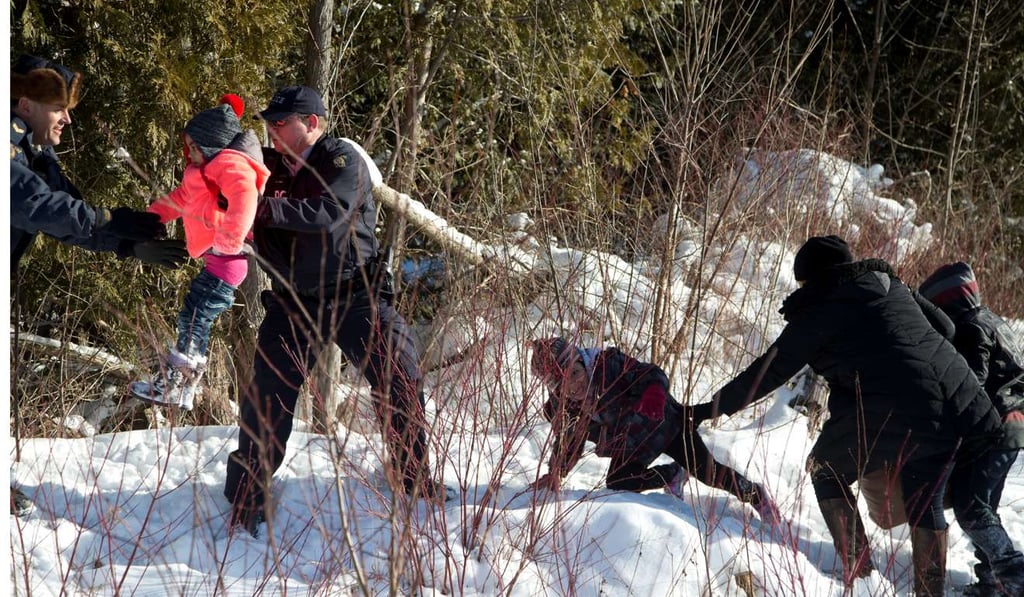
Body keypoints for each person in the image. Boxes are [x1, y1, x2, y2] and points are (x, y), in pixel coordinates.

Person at [700, 236, 1004, 595]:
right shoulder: (890, 284)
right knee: (925, 496)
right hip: (959, 402)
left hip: (893, 404)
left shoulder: (822, 306)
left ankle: (862, 577)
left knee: (825, 469)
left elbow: (767, 372)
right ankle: (929, 590)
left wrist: (707, 409)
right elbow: (947, 329)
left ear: (812, 278)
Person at [222, 85, 448, 538]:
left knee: (399, 374)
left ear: (313, 123)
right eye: (270, 122)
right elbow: (219, 179)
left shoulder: (343, 160)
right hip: (293, 300)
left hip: (355, 296)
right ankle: (246, 496)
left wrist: (258, 208)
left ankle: (414, 481)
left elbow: (328, 214)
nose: (273, 130)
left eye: (283, 122)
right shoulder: (263, 166)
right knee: (268, 393)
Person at [10, 54, 188, 517]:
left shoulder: (34, 150)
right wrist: (113, 222)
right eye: (58, 107)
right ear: (25, 104)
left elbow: (71, 212)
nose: (68, 118)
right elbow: (42, 208)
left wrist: (127, 245)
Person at [528, 337, 781, 525]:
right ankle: (672, 474)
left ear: (583, 360)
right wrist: (556, 472)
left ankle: (756, 494)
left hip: (666, 423)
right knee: (619, 483)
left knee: (709, 473)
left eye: (575, 372)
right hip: (634, 440)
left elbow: (651, 373)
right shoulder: (567, 405)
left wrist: (655, 392)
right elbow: (570, 437)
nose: (574, 384)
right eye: (563, 383)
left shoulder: (608, 365)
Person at [129, 94, 270, 410]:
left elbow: (245, 197)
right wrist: (151, 218)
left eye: (195, 146)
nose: (190, 152)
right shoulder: (201, 173)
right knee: (194, 316)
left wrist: (230, 240)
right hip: (219, 260)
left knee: (195, 316)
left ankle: (178, 383)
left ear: (212, 144)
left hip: (229, 259)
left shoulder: (231, 163)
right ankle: (179, 383)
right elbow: (179, 198)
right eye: (188, 147)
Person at [919, 262, 1024, 597]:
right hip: (1013, 424)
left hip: (997, 426)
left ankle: (1015, 575)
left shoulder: (970, 327)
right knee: (984, 507)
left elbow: (972, 383)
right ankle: (991, 583)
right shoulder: (992, 319)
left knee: (971, 506)